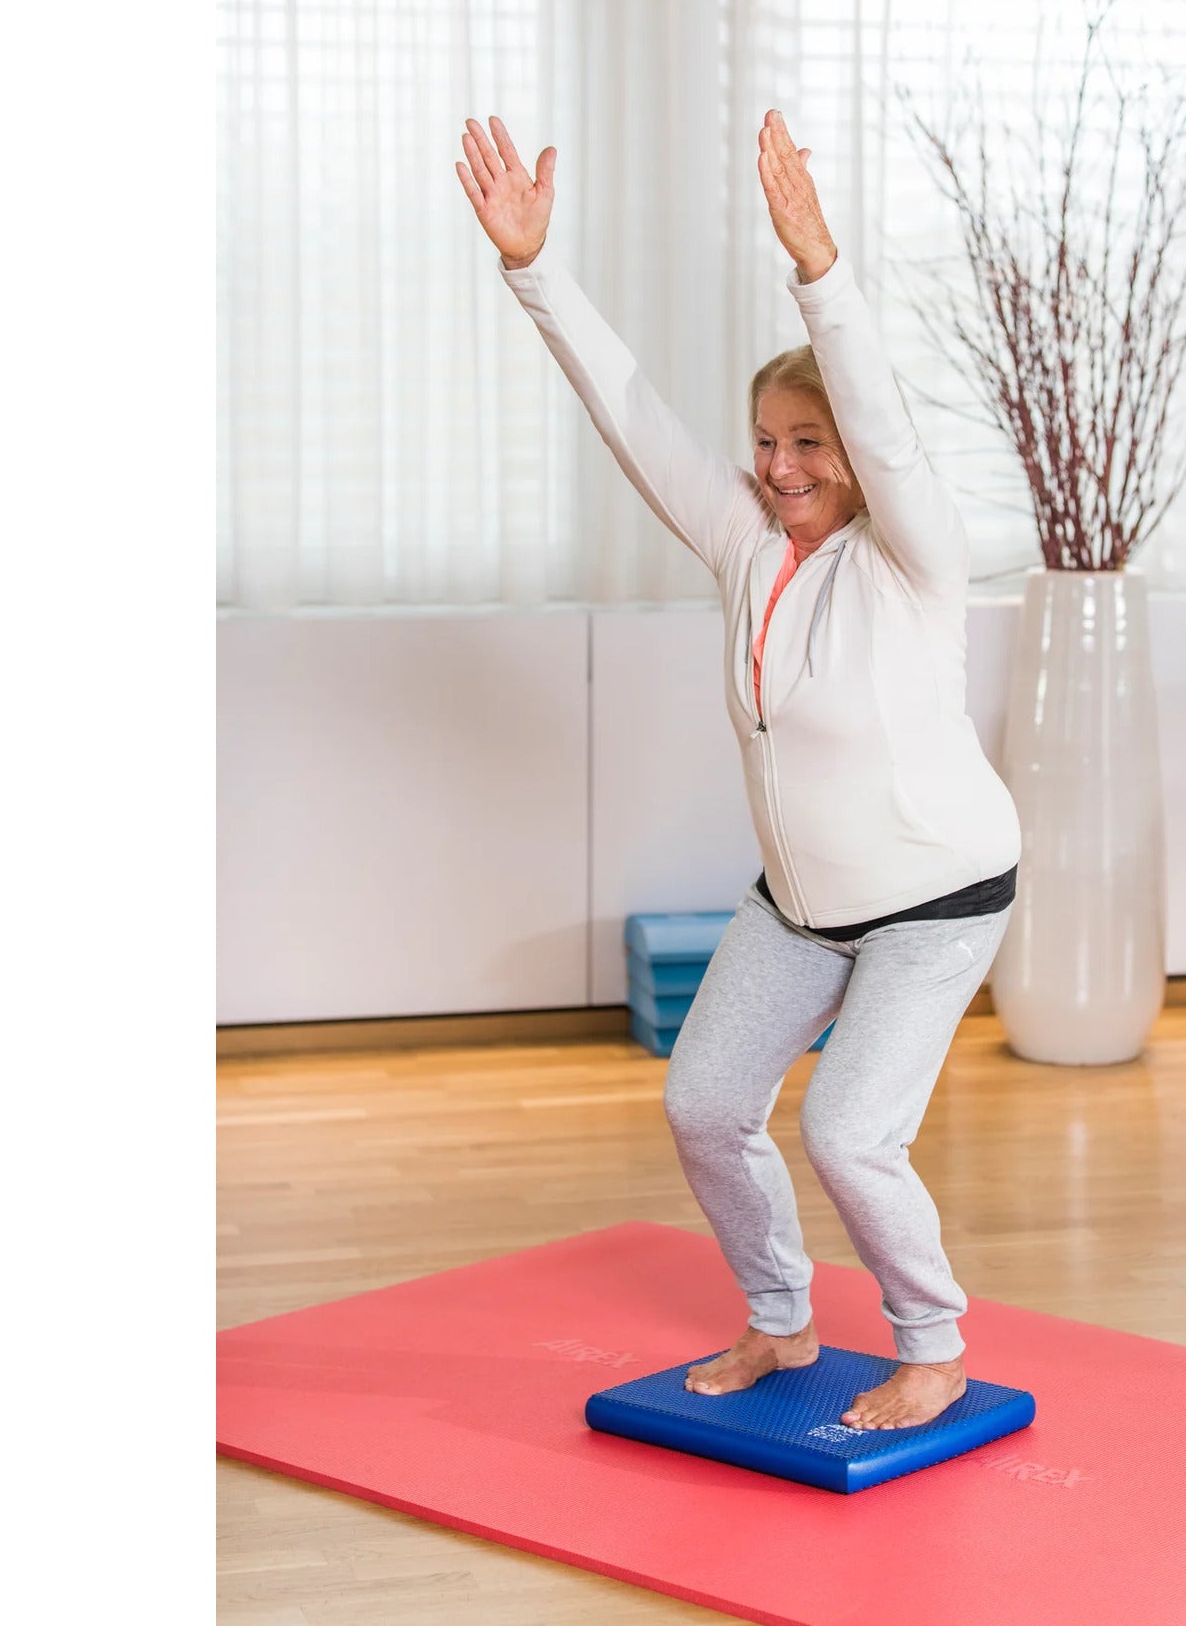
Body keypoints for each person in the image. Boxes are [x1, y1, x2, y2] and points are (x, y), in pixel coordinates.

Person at [456, 108, 1021, 1430]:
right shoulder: (746, 541)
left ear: (858, 460)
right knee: (708, 1104)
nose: (779, 466)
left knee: (849, 1131)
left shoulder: (914, 556)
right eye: (767, 441)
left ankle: (933, 1346)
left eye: (808, 444)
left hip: (938, 900)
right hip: (802, 903)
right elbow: (633, 416)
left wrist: (820, 267)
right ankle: (779, 1322)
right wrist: (532, 268)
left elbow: (881, 422)